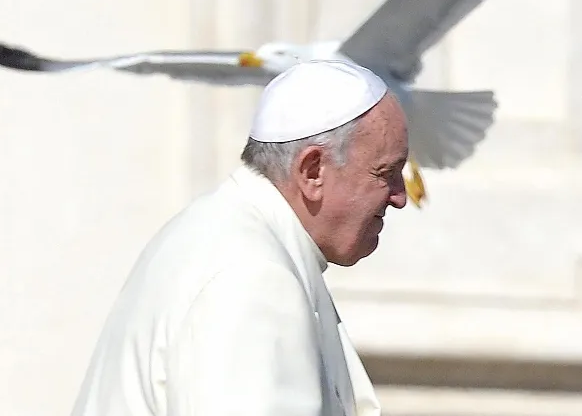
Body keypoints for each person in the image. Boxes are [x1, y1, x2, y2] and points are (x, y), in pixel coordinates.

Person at [69, 59, 409, 416]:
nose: (399, 197)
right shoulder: (252, 276)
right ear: (312, 171)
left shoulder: (214, 232)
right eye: (385, 173)